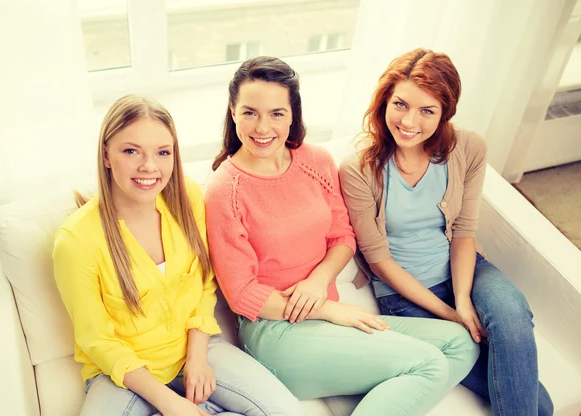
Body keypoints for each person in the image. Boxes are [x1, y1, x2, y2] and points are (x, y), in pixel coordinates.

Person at [204, 56, 480, 416]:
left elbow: (343, 237)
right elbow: (242, 295)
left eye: (277, 113)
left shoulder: (315, 161)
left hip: (330, 319)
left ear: (293, 114)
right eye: (250, 112)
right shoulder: (225, 189)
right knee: (428, 363)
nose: (262, 127)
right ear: (233, 111)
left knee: (460, 343)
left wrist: (319, 282)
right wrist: (329, 309)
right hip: (278, 335)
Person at [52, 95, 302, 416]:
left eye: (162, 152)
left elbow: (203, 285)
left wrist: (197, 360)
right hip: (122, 373)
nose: (149, 167)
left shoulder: (186, 197)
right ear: (106, 155)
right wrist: (170, 403)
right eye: (131, 151)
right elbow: (97, 341)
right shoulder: (75, 241)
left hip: (196, 349)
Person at [338, 48, 554, 416]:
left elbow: (464, 231)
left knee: (512, 314)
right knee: (541, 405)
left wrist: (464, 299)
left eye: (427, 110)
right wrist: (450, 313)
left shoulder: (468, 147)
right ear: (383, 102)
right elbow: (378, 260)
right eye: (401, 104)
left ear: (444, 112)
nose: (409, 121)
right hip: (405, 295)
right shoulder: (359, 167)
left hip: (467, 270)